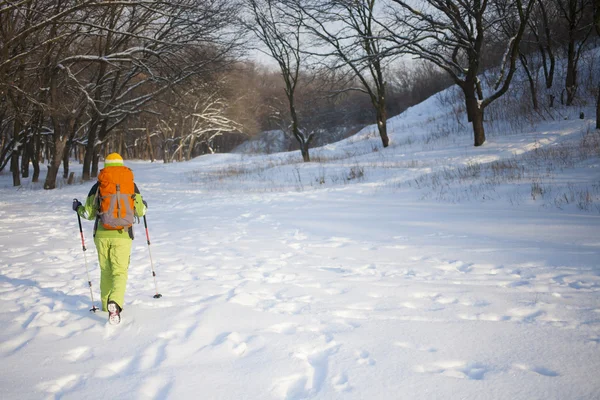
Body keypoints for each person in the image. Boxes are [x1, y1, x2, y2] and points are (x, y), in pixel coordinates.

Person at [72, 153, 147, 325]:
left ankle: (107, 306)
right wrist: (144, 206)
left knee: (105, 271)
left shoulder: (98, 185)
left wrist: (78, 208)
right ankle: (116, 303)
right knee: (119, 272)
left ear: (105, 166)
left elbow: (89, 214)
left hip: (102, 234)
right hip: (123, 235)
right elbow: (141, 211)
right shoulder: (131, 185)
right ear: (122, 166)